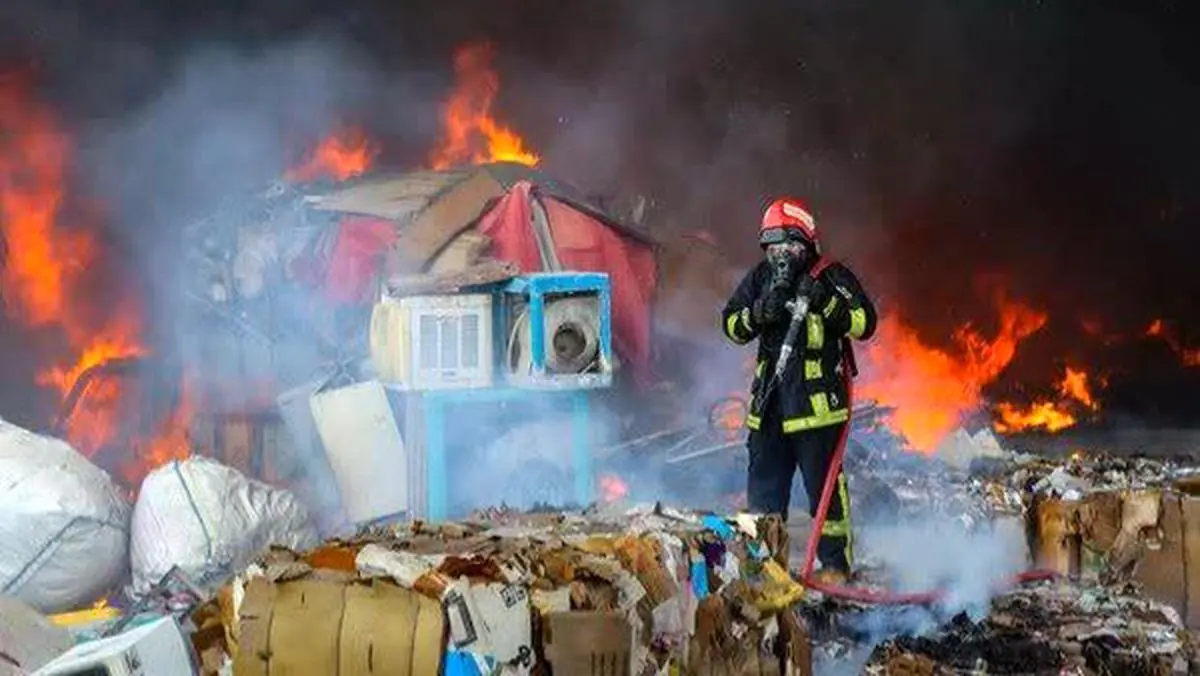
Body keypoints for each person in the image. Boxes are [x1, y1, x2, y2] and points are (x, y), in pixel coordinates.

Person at [721, 197, 877, 583]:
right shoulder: (760, 279)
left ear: (807, 243)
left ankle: (835, 568)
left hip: (816, 412)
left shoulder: (830, 276)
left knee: (825, 495)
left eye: (789, 246)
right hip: (770, 409)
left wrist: (826, 303)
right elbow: (731, 325)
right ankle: (763, 570)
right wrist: (759, 312)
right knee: (763, 494)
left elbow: (864, 323)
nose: (781, 256)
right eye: (773, 248)